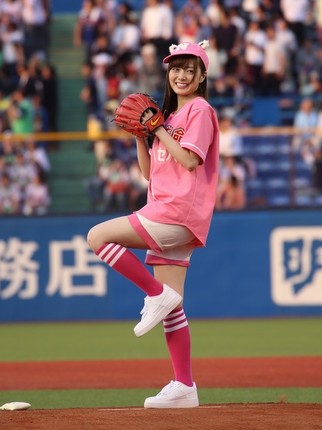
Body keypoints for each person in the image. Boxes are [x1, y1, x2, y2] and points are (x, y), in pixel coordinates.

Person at [87, 40, 219, 409]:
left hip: (178, 210)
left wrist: (157, 130)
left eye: (190, 70)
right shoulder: (170, 116)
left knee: (97, 237)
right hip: (165, 206)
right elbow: (149, 173)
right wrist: (140, 137)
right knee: (174, 309)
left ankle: (154, 293)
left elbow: (190, 161)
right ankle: (184, 386)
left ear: (202, 76)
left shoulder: (200, 110)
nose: (181, 75)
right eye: (176, 68)